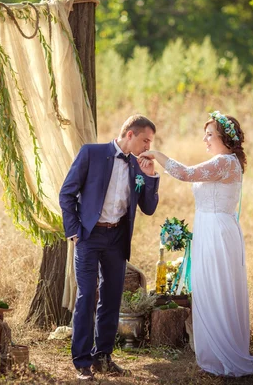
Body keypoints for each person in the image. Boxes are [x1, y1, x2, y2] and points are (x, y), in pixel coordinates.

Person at [138, 111, 253, 377]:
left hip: (218, 232)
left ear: (224, 138)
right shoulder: (223, 162)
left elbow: (185, 173)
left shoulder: (225, 163)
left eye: (209, 134)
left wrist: (157, 155)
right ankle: (216, 349)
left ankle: (225, 351)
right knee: (209, 286)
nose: (204, 139)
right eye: (205, 134)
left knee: (218, 287)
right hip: (209, 229)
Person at [59, 114, 160, 381]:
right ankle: (82, 362)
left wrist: (150, 177)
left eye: (150, 142)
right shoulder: (91, 153)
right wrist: (75, 232)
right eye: (145, 140)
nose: (148, 147)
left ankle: (103, 356)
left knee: (112, 298)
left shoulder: (139, 166)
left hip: (117, 239)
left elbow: (148, 209)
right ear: (130, 134)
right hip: (89, 237)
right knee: (86, 297)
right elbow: (66, 193)